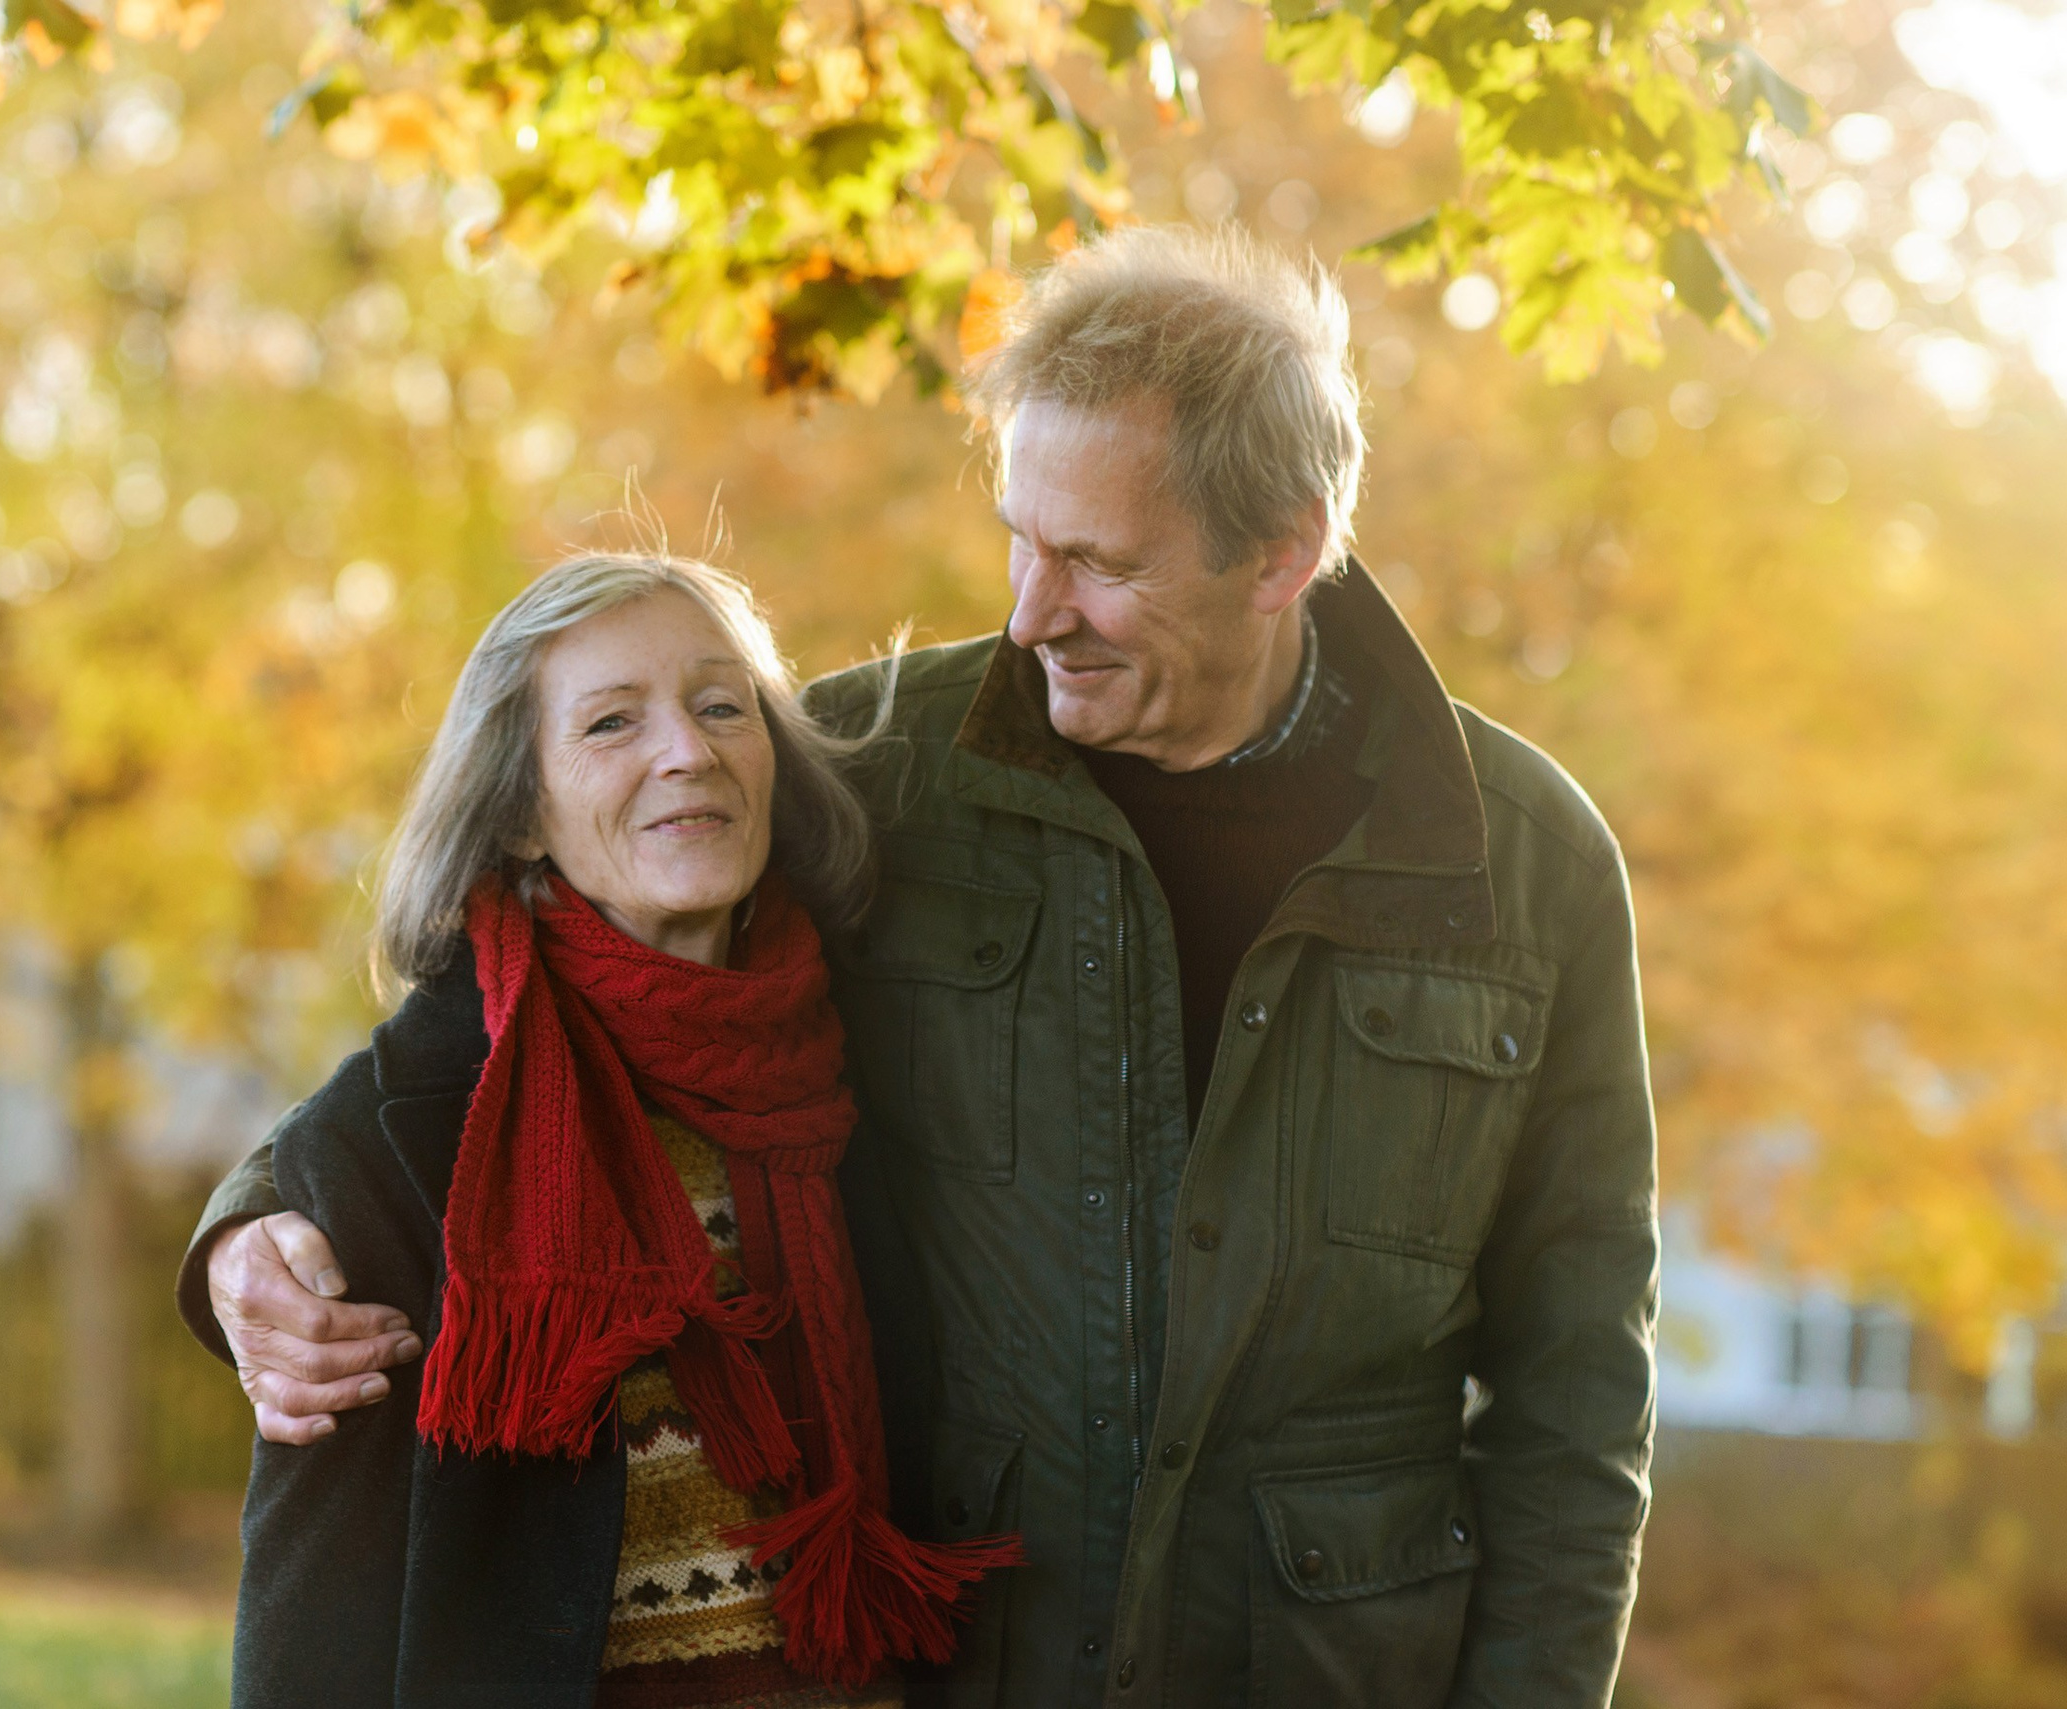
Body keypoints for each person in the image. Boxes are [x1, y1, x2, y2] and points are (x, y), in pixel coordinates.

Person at [181, 225, 1658, 1708]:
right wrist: (258, 1229)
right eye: (1020, 535)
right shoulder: (874, 766)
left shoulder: (1519, 867)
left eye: (1097, 563)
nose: (1029, 612)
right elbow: (548, 985)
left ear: (1284, 550)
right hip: (958, 1664)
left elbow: (1577, 1398)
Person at [219, 552, 1016, 1708]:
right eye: (609, 723)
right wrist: (230, 1233)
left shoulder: (877, 1058)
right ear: (522, 812)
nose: (686, 750)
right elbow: (312, 1620)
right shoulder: (394, 1138)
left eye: (719, 705)